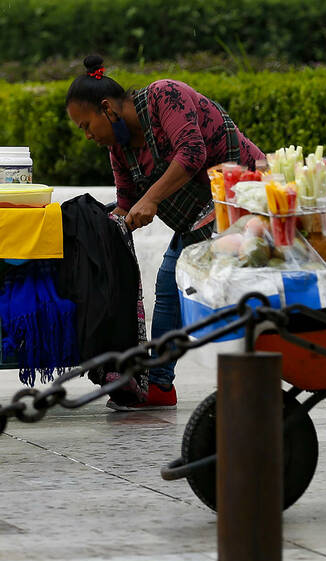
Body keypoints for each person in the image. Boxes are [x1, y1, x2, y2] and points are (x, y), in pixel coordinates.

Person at [65, 55, 264, 410]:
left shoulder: (164, 96)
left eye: (86, 124)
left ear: (107, 108)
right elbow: (127, 204)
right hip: (195, 222)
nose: (88, 135)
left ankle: (240, 384)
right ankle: (159, 385)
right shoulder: (119, 150)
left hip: (242, 199)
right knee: (169, 286)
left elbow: (191, 152)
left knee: (223, 292)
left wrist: (151, 199)